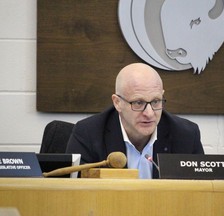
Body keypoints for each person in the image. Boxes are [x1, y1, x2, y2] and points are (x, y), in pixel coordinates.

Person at [66, 63, 204, 179]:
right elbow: (75, 194)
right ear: (117, 102)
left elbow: (200, 194)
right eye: (138, 102)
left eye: (156, 101)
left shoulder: (186, 135)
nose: (149, 113)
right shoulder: (88, 134)